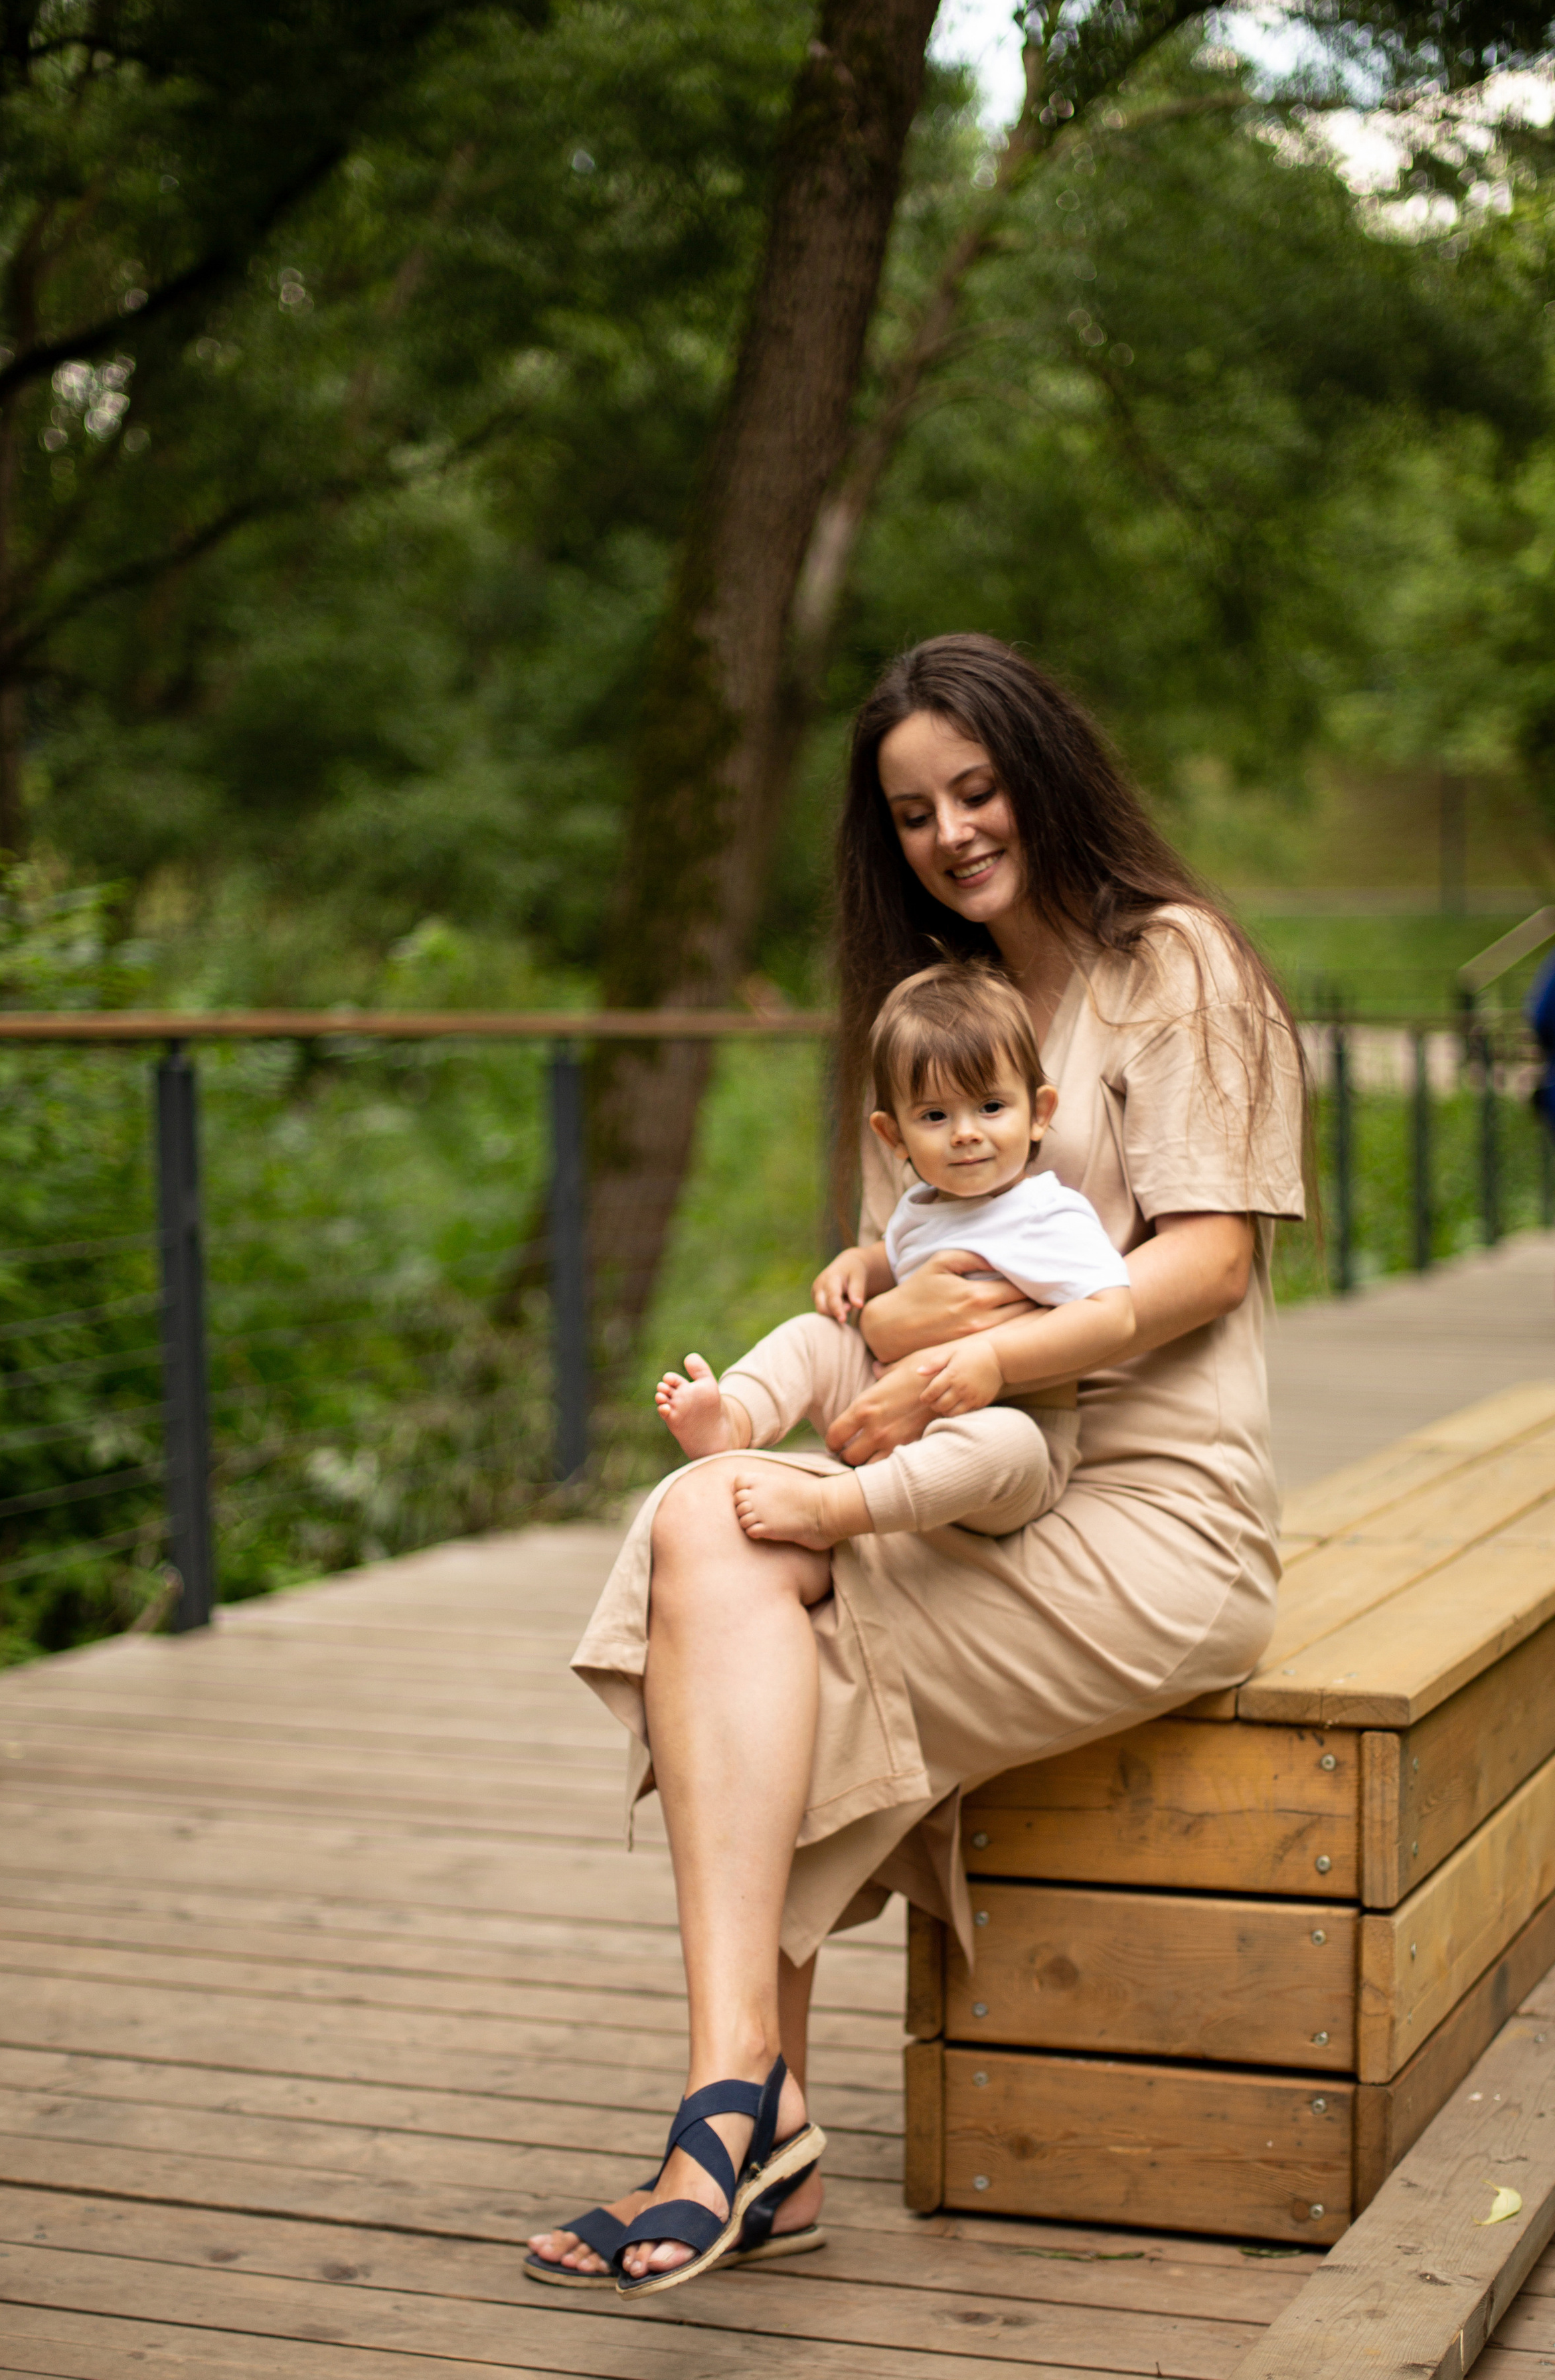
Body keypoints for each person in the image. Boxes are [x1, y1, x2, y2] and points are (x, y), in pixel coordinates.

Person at [523, 632, 1305, 2300]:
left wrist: (979, 1356)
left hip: (1150, 1516)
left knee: (756, 1640)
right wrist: (888, 1322)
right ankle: (747, 2102)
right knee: (707, 1516)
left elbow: (1207, 1261)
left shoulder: (1173, 966)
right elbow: (894, 1281)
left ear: (1044, 774)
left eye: (975, 788)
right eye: (909, 811)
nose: (949, 832)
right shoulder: (932, 1018)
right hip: (967, 1482)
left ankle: (744, 2126)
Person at [654, 959, 1134, 1551]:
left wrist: (996, 1361)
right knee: (813, 1337)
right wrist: (861, 1264)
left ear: (1038, 1114)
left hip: (1016, 1431)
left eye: (991, 1107)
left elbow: (1114, 1315)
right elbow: (900, 1253)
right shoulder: (919, 1206)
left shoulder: (1047, 1213)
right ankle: (732, 1419)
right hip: (890, 1408)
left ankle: (830, 1509)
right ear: (893, 1136)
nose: (965, 1132)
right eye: (935, 1115)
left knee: (1003, 1445)